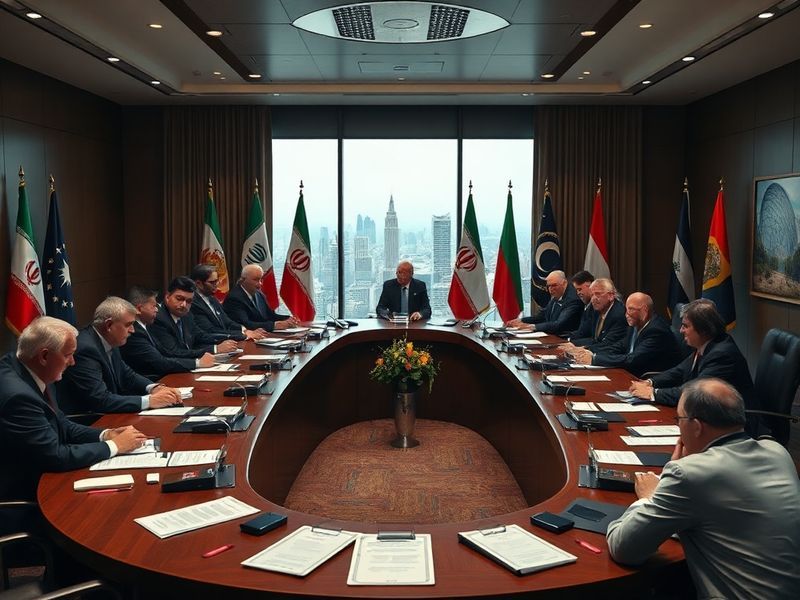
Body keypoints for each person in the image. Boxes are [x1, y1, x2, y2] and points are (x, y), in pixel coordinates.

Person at [607, 378, 800, 600]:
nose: (678, 426)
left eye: (679, 419)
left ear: (697, 426)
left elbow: (625, 549)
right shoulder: (777, 452)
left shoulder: (689, 475)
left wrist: (651, 497)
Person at [1, 317, 148, 502]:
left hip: (44, 473)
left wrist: (105, 435)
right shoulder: (19, 397)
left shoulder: (29, 366)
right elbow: (55, 456)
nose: (72, 362)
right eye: (68, 355)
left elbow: (61, 422)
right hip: (28, 492)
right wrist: (115, 446)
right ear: (44, 356)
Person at [628, 299, 756, 415]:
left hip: (735, 422)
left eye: (686, 326)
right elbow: (679, 371)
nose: (681, 330)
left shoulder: (722, 355)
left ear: (703, 329)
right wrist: (649, 382)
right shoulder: (706, 344)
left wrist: (653, 393)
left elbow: (695, 393)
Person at [57, 297, 183, 413]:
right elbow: (100, 400)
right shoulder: (85, 349)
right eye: (128, 325)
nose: (133, 330)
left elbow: (127, 375)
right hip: (92, 420)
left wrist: (154, 388)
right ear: (109, 325)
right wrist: (150, 401)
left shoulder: (110, 340)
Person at [570, 292, 681, 377]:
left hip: (645, 377)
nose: (626, 314)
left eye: (631, 309)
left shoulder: (656, 330)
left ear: (644, 310)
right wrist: (590, 352)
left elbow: (632, 359)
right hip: (630, 373)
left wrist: (595, 359)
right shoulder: (636, 324)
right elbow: (620, 346)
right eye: (626, 309)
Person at [120, 285, 215, 380]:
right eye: (153, 306)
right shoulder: (134, 333)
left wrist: (201, 356)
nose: (157, 309)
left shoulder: (146, 326)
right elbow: (159, 362)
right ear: (139, 309)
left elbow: (167, 353)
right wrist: (197, 363)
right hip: (150, 381)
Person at [151, 276, 240, 358]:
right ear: (167, 297)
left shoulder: (187, 315)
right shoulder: (159, 318)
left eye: (189, 301)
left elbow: (201, 336)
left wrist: (234, 337)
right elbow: (174, 352)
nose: (183, 305)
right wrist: (215, 349)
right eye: (179, 299)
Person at [190, 264, 266, 341]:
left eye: (217, 281)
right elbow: (210, 330)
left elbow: (227, 322)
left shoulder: (212, 298)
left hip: (226, 341)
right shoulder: (193, 303)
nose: (216, 285)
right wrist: (242, 334)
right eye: (212, 282)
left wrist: (244, 330)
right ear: (198, 283)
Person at [223, 264, 299, 330]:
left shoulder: (259, 294)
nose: (260, 284)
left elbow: (269, 316)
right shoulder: (234, 298)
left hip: (263, 335)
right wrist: (274, 325)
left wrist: (288, 319)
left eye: (261, 280)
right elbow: (246, 324)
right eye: (256, 280)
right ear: (243, 280)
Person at [506, 270, 582, 335]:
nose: (551, 289)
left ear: (564, 283)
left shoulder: (573, 299)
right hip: (552, 336)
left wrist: (531, 327)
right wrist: (521, 320)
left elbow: (559, 324)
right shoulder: (556, 296)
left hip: (565, 338)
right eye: (548, 286)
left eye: (554, 285)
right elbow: (542, 316)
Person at [561, 278, 627, 351]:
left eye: (598, 294)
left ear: (611, 296)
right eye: (592, 295)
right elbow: (584, 333)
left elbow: (607, 344)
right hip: (595, 349)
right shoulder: (594, 309)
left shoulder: (619, 315)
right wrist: (568, 342)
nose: (594, 299)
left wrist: (581, 349)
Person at [567, 270, 594, 338]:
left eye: (580, 289)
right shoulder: (586, 305)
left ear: (589, 285)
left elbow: (586, 333)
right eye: (576, 290)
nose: (578, 293)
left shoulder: (596, 307)